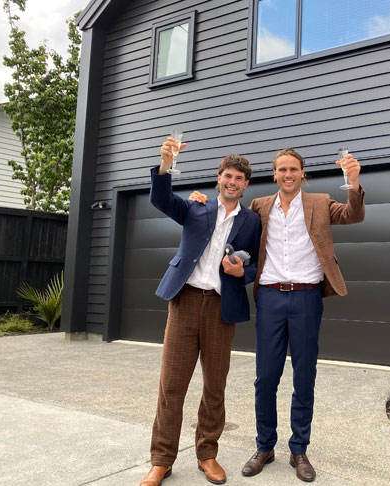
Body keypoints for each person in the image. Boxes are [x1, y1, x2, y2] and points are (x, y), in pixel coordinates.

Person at [139, 137, 261, 486]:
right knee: (172, 386)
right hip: (186, 301)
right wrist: (165, 163)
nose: (232, 182)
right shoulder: (196, 207)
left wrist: (243, 272)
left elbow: (255, 265)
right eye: (228, 176)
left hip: (222, 308)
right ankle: (161, 460)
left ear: (246, 185)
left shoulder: (251, 221)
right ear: (218, 178)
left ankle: (207, 455)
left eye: (239, 178)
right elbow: (160, 198)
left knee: (214, 386)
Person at [243, 148, 364, 482]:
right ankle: (265, 446)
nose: (287, 174)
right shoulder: (260, 206)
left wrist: (353, 183)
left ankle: (299, 449)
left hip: (307, 298)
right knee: (266, 376)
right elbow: (239, 232)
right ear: (275, 174)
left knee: (303, 375)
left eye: (293, 169)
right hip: (269, 298)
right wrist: (203, 204)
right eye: (281, 169)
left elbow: (353, 215)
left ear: (302, 173)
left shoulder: (321, 202)